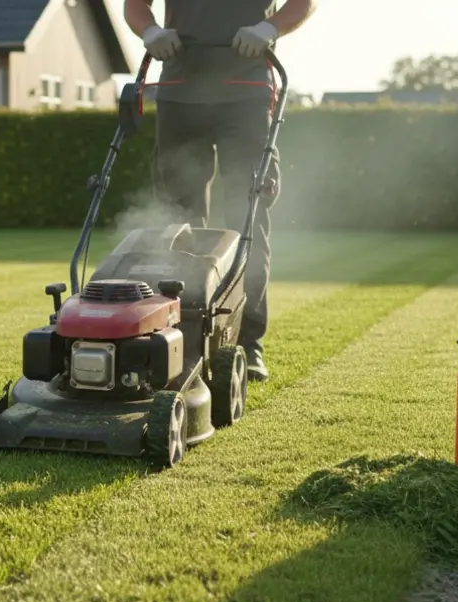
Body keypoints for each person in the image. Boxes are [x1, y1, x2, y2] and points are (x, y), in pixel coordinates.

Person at [124, 0, 317, 383]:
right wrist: (150, 32)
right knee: (178, 222)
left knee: (249, 216)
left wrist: (270, 29)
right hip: (180, 90)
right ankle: (180, 333)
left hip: (245, 91)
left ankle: (248, 343)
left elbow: (304, 3)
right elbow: (135, 5)